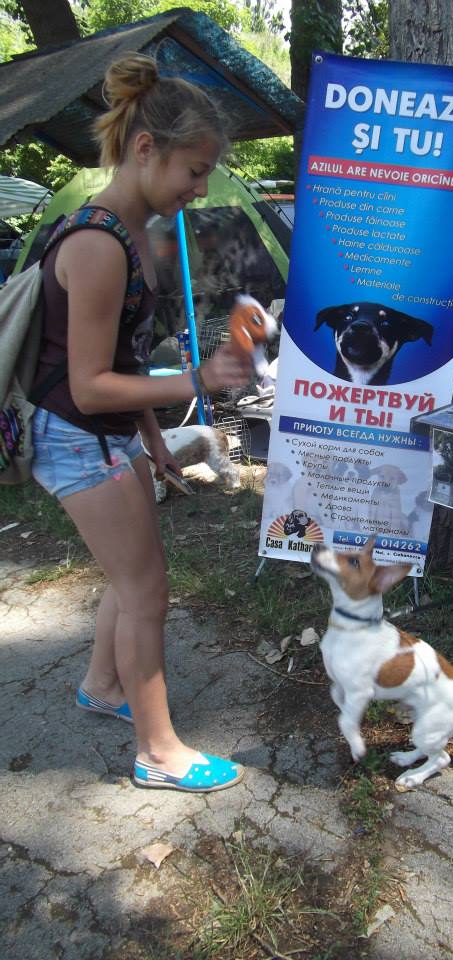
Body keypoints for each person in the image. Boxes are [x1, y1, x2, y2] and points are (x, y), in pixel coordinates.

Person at [30, 53, 252, 792]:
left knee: (129, 575)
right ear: (148, 148)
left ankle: (103, 685)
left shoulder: (132, 231)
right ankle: (158, 754)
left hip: (107, 432)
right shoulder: (97, 243)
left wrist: (151, 435)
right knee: (146, 590)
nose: (201, 188)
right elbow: (89, 385)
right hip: (75, 434)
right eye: (195, 170)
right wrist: (196, 381)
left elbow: (118, 355)